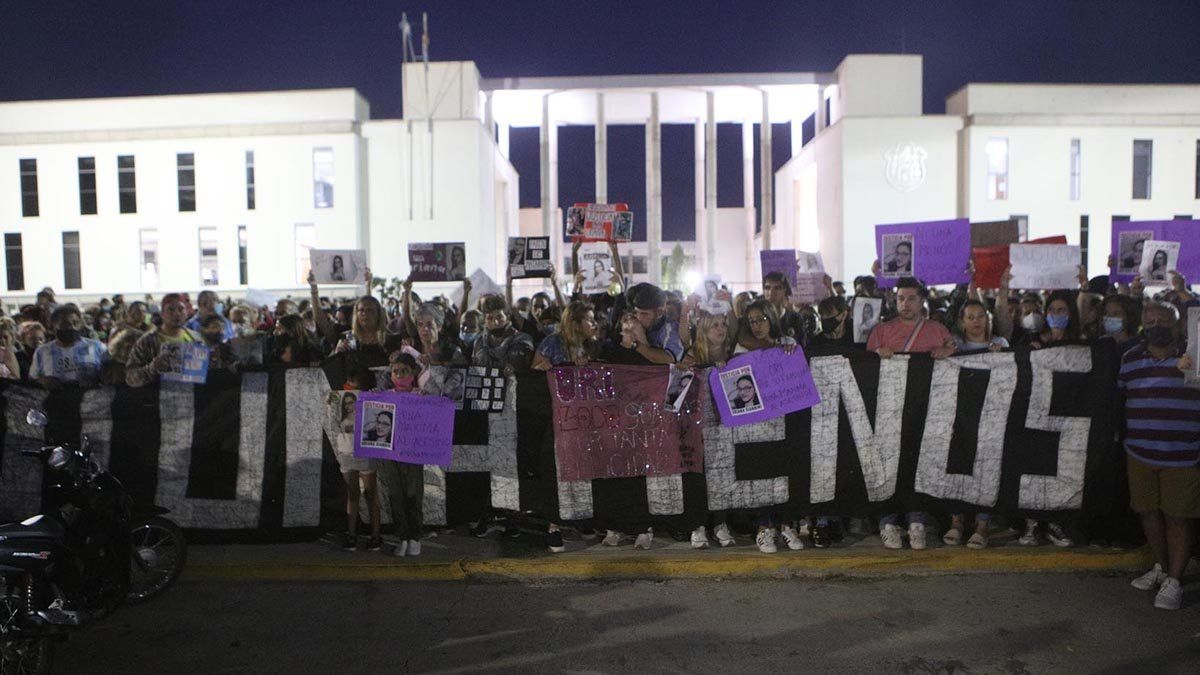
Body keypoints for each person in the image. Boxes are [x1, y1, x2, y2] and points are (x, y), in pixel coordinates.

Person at [1120, 301, 1199, 610]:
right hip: (1138, 453)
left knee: (1178, 518)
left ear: (1178, 325)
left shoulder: (1194, 357)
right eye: (1150, 321)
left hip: (1182, 455)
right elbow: (1121, 395)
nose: (1156, 326)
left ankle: (1175, 580)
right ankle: (1162, 569)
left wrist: (1193, 369)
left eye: (1163, 321)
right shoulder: (1130, 358)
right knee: (1148, 514)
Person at [866, 277, 954, 550]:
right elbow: (864, 371)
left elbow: (956, 354)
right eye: (901, 298)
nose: (905, 303)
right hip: (888, 412)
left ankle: (917, 521)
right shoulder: (881, 331)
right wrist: (877, 355)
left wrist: (947, 351)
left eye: (911, 298)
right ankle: (887, 522)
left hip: (924, 412)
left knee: (918, 463)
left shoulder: (938, 330)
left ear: (922, 300)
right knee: (887, 464)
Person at [323, 368, 382, 552]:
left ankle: (375, 535)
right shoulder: (338, 403)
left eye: (351, 384)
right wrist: (329, 401)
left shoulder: (371, 400)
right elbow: (331, 422)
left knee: (371, 494)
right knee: (352, 494)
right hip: (346, 453)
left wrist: (376, 397)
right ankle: (352, 534)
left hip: (365, 453)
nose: (346, 387)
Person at [376, 352, 426, 556]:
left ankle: (415, 537)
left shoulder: (421, 395)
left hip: (413, 454)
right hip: (391, 454)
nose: (399, 375)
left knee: (413, 495)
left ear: (413, 373)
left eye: (404, 371)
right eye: (395, 372)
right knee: (395, 495)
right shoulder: (385, 395)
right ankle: (402, 537)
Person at [126, 293, 201, 387]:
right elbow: (130, 378)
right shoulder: (147, 341)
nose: (176, 314)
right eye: (171, 310)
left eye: (181, 309)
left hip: (192, 397)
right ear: (162, 314)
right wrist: (152, 368)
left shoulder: (197, 339)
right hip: (157, 398)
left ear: (186, 313)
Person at [29, 304, 110, 390]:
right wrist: (43, 380)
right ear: (54, 326)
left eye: (75, 323)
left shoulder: (97, 347)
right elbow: (32, 378)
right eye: (65, 324)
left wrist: (97, 379)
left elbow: (110, 374)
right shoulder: (42, 352)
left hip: (91, 399)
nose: (72, 327)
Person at [471, 295, 534, 375]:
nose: (495, 322)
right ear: (485, 320)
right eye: (490, 318)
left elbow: (518, 370)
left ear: (507, 317)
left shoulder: (522, 340)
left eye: (499, 317)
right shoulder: (479, 341)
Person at [532, 301, 599, 370]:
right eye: (590, 320)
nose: (595, 323)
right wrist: (541, 367)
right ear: (575, 324)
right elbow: (534, 371)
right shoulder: (552, 342)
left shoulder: (592, 345)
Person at [762, 272, 805, 343]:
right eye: (767, 288)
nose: (771, 293)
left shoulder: (795, 318)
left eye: (777, 288)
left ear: (785, 291)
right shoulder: (757, 318)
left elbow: (801, 347)